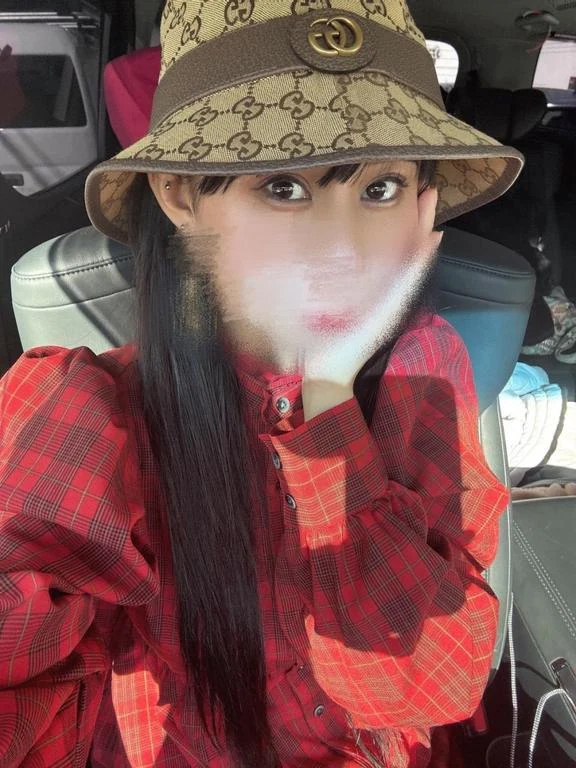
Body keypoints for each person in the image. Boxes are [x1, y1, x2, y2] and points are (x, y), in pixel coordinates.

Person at [0, 1, 525, 767]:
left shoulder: (421, 371)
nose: (343, 244)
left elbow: (429, 687)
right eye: (283, 187)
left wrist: (330, 397)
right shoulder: (87, 412)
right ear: (181, 196)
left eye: (381, 189)